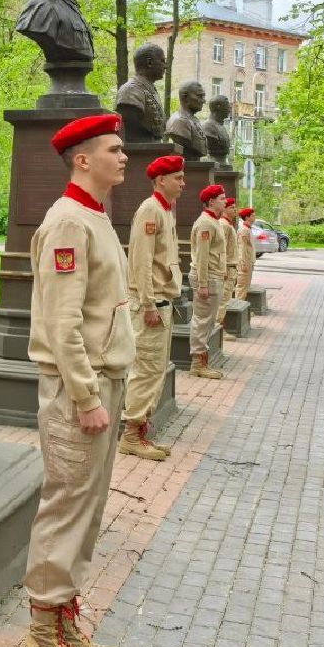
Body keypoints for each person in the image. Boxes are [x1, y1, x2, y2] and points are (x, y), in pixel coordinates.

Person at [21, 114, 135, 647]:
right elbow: (62, 325)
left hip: (101, 385)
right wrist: (88, 395)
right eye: (114, 150)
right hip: (76, 393)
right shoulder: (68, 222)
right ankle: (43, 636)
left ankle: (64, 621)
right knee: (66, 506)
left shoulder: (95, 216)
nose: (124, 157)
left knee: (86, 510)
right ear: (83, 159)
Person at [119, 154, 185, 461]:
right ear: (161, 180)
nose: (183, 183)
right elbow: (140, 261)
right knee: (146, 368)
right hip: (151, 304)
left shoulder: (165, 209)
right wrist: (147, 303)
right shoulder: (150, 209)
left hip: (162, 301)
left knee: (155, 369)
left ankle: (140, 429)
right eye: (178, 178)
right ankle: (131, 434)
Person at [189, 184, 228, 379]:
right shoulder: (206, 223)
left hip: (214, 276)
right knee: (202, 321)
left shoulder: (213, 221)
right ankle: (198, 364)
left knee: (207, 321)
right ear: (211, 201)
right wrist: (203, 284)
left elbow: (215, 253)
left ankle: (202, 362)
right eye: (222, 198)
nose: (225, 201)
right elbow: (203, 256)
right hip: (208, 278)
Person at [217, 196, 239, 324]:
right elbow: (222, 248)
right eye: (231, 207)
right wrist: (223, 268)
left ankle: (219, 328)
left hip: (231, 267)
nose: (235, 210)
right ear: (224, 209)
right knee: (223, 300)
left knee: (225, 299)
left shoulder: (228, 225)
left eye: (235, 207)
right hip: (227, 268)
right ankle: (218, 329)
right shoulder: (224, 225)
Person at [235, 206, 257, 300]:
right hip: (244, 263)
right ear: (247, 217)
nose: (254, 217)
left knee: (246, 286)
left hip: (248, 261)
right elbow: (241, 247)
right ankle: (238, 306)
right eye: (252, 216)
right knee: (242, 287)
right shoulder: (244, 230)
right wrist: (242, 263)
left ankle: (242, 307)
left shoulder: (248, 229)